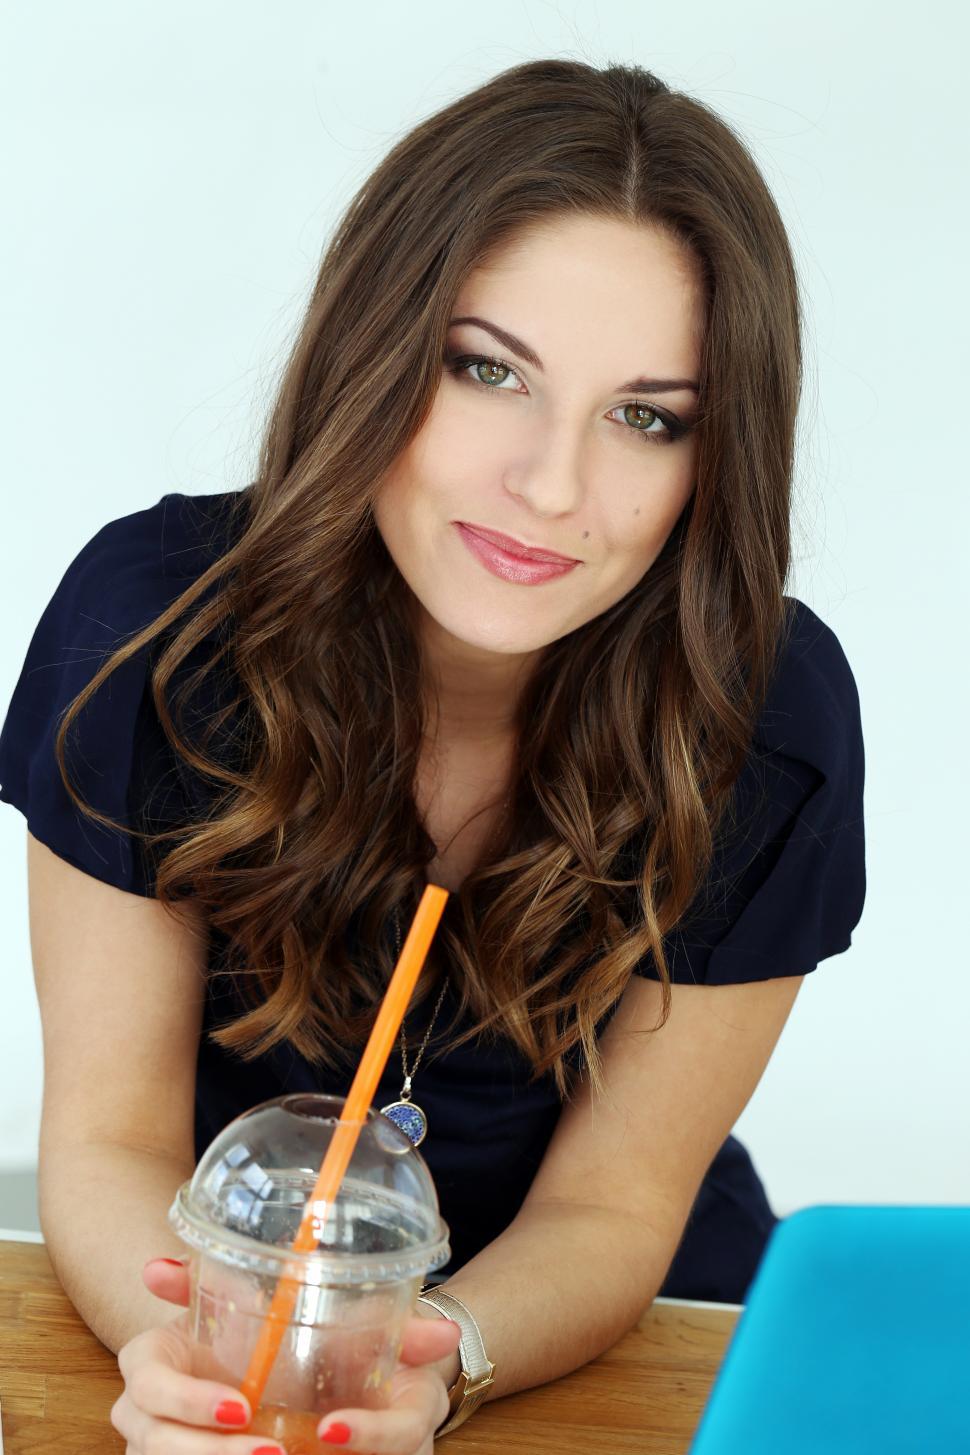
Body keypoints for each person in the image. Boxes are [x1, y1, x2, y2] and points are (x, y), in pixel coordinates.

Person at [0, 56, 866, 1455]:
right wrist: (181, 1361)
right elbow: (109, 1136)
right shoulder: (151, 625)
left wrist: (439, 1361)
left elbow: (615, 1207)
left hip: (604, 1339)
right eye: (487, 371)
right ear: (374, 351)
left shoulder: (763, 711)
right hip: (227, 1309)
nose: (551, 486)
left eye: (647, 417)